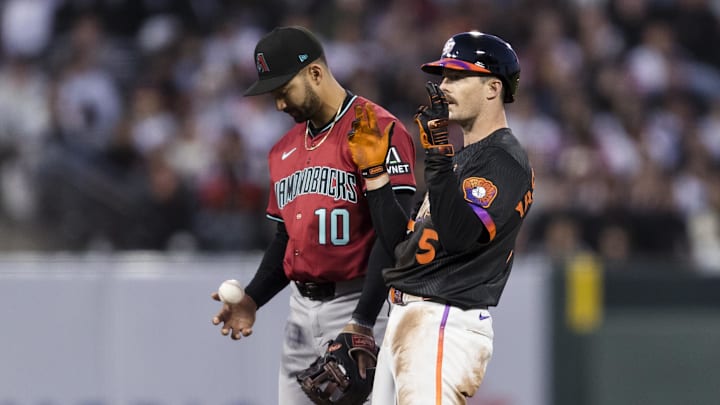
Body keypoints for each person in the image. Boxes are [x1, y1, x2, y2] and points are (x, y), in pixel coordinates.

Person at [210, 26, 417, 404]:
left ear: (315, 74)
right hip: (300, 314)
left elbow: (397, 238)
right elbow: (285, 241)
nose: (278, 104)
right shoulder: (282, 150)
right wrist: (252, 299)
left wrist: (364, 320)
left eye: (282, 91)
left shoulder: (378, 128)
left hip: (362, 304)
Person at [347, 31, 534, 404]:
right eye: (443, 76)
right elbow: (402, 247)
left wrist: (436, 155)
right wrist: (375, 176)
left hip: (444, 320)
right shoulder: (461, 160)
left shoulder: (503, 159)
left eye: (458, 76)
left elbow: (459, 237)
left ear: (492, 88)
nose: (444, 86)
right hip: (412, 317)